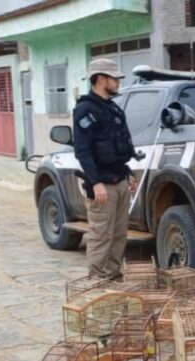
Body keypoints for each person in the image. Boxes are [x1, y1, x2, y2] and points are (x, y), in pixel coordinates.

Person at [73, 58, 138, 279]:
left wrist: (127, 172)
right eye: (114, 78)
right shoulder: (85, 110)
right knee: (101, 235)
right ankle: (97, 280)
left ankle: (113, 275)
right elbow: (83, 151)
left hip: (119, 179)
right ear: (101, 79)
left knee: (119, 234)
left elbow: (118, 144)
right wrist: (96, 182)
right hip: (102, 185)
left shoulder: (111, 108)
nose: (118, 82)